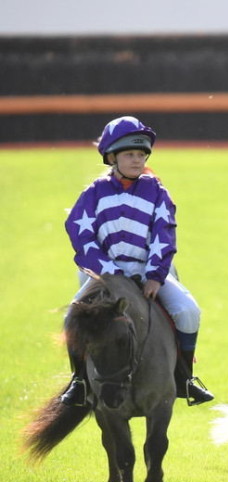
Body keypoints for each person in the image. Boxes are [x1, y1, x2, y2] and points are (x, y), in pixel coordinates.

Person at [61, 116, 213, 407]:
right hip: (104, 277)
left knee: (188, 311)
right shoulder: (93, 193)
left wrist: (155, 276)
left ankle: (185, 378)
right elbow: (80, 235)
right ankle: (79, 380)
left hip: (148, 273)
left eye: (141, 154)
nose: (137, 159)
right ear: (112, 156)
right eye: (130, 154)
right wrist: (109, 274)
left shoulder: (157, 192)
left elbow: (164, 233)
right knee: (71, 317)